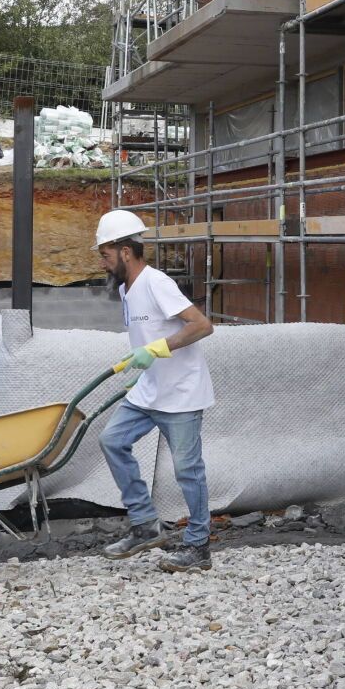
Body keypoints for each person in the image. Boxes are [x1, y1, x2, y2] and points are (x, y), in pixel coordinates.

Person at [93, 210, 217, 572]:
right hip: (148, 390)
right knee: (112, 440)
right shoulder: (126, 289)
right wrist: (145, 364)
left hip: (180, 394)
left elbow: (201, 325)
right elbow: (145, 338)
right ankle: (145, 524)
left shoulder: (156, 283)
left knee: (187, 469)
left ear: (125, 252)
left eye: (105, 254)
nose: (103, 262)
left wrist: (159, 349)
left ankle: (198, 548)